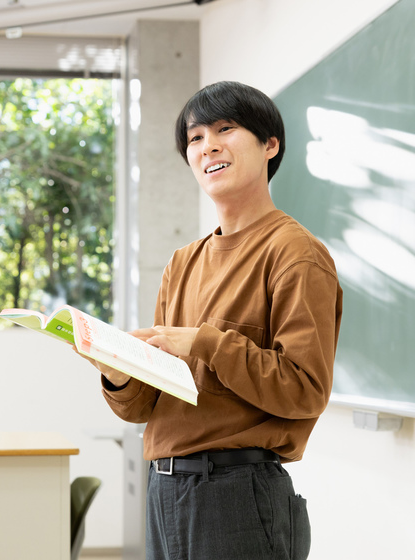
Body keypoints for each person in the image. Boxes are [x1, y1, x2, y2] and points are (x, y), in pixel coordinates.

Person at [86, 81, 342, 559]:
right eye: (195, 137)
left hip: (236, 494)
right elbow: (151, 405)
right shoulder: (182, 262)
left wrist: (206, 343)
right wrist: (119, 374)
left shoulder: (295, 253)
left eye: (226, 129)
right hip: (164, 490)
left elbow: (305, 389)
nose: (208, 147)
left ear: (270, 144)